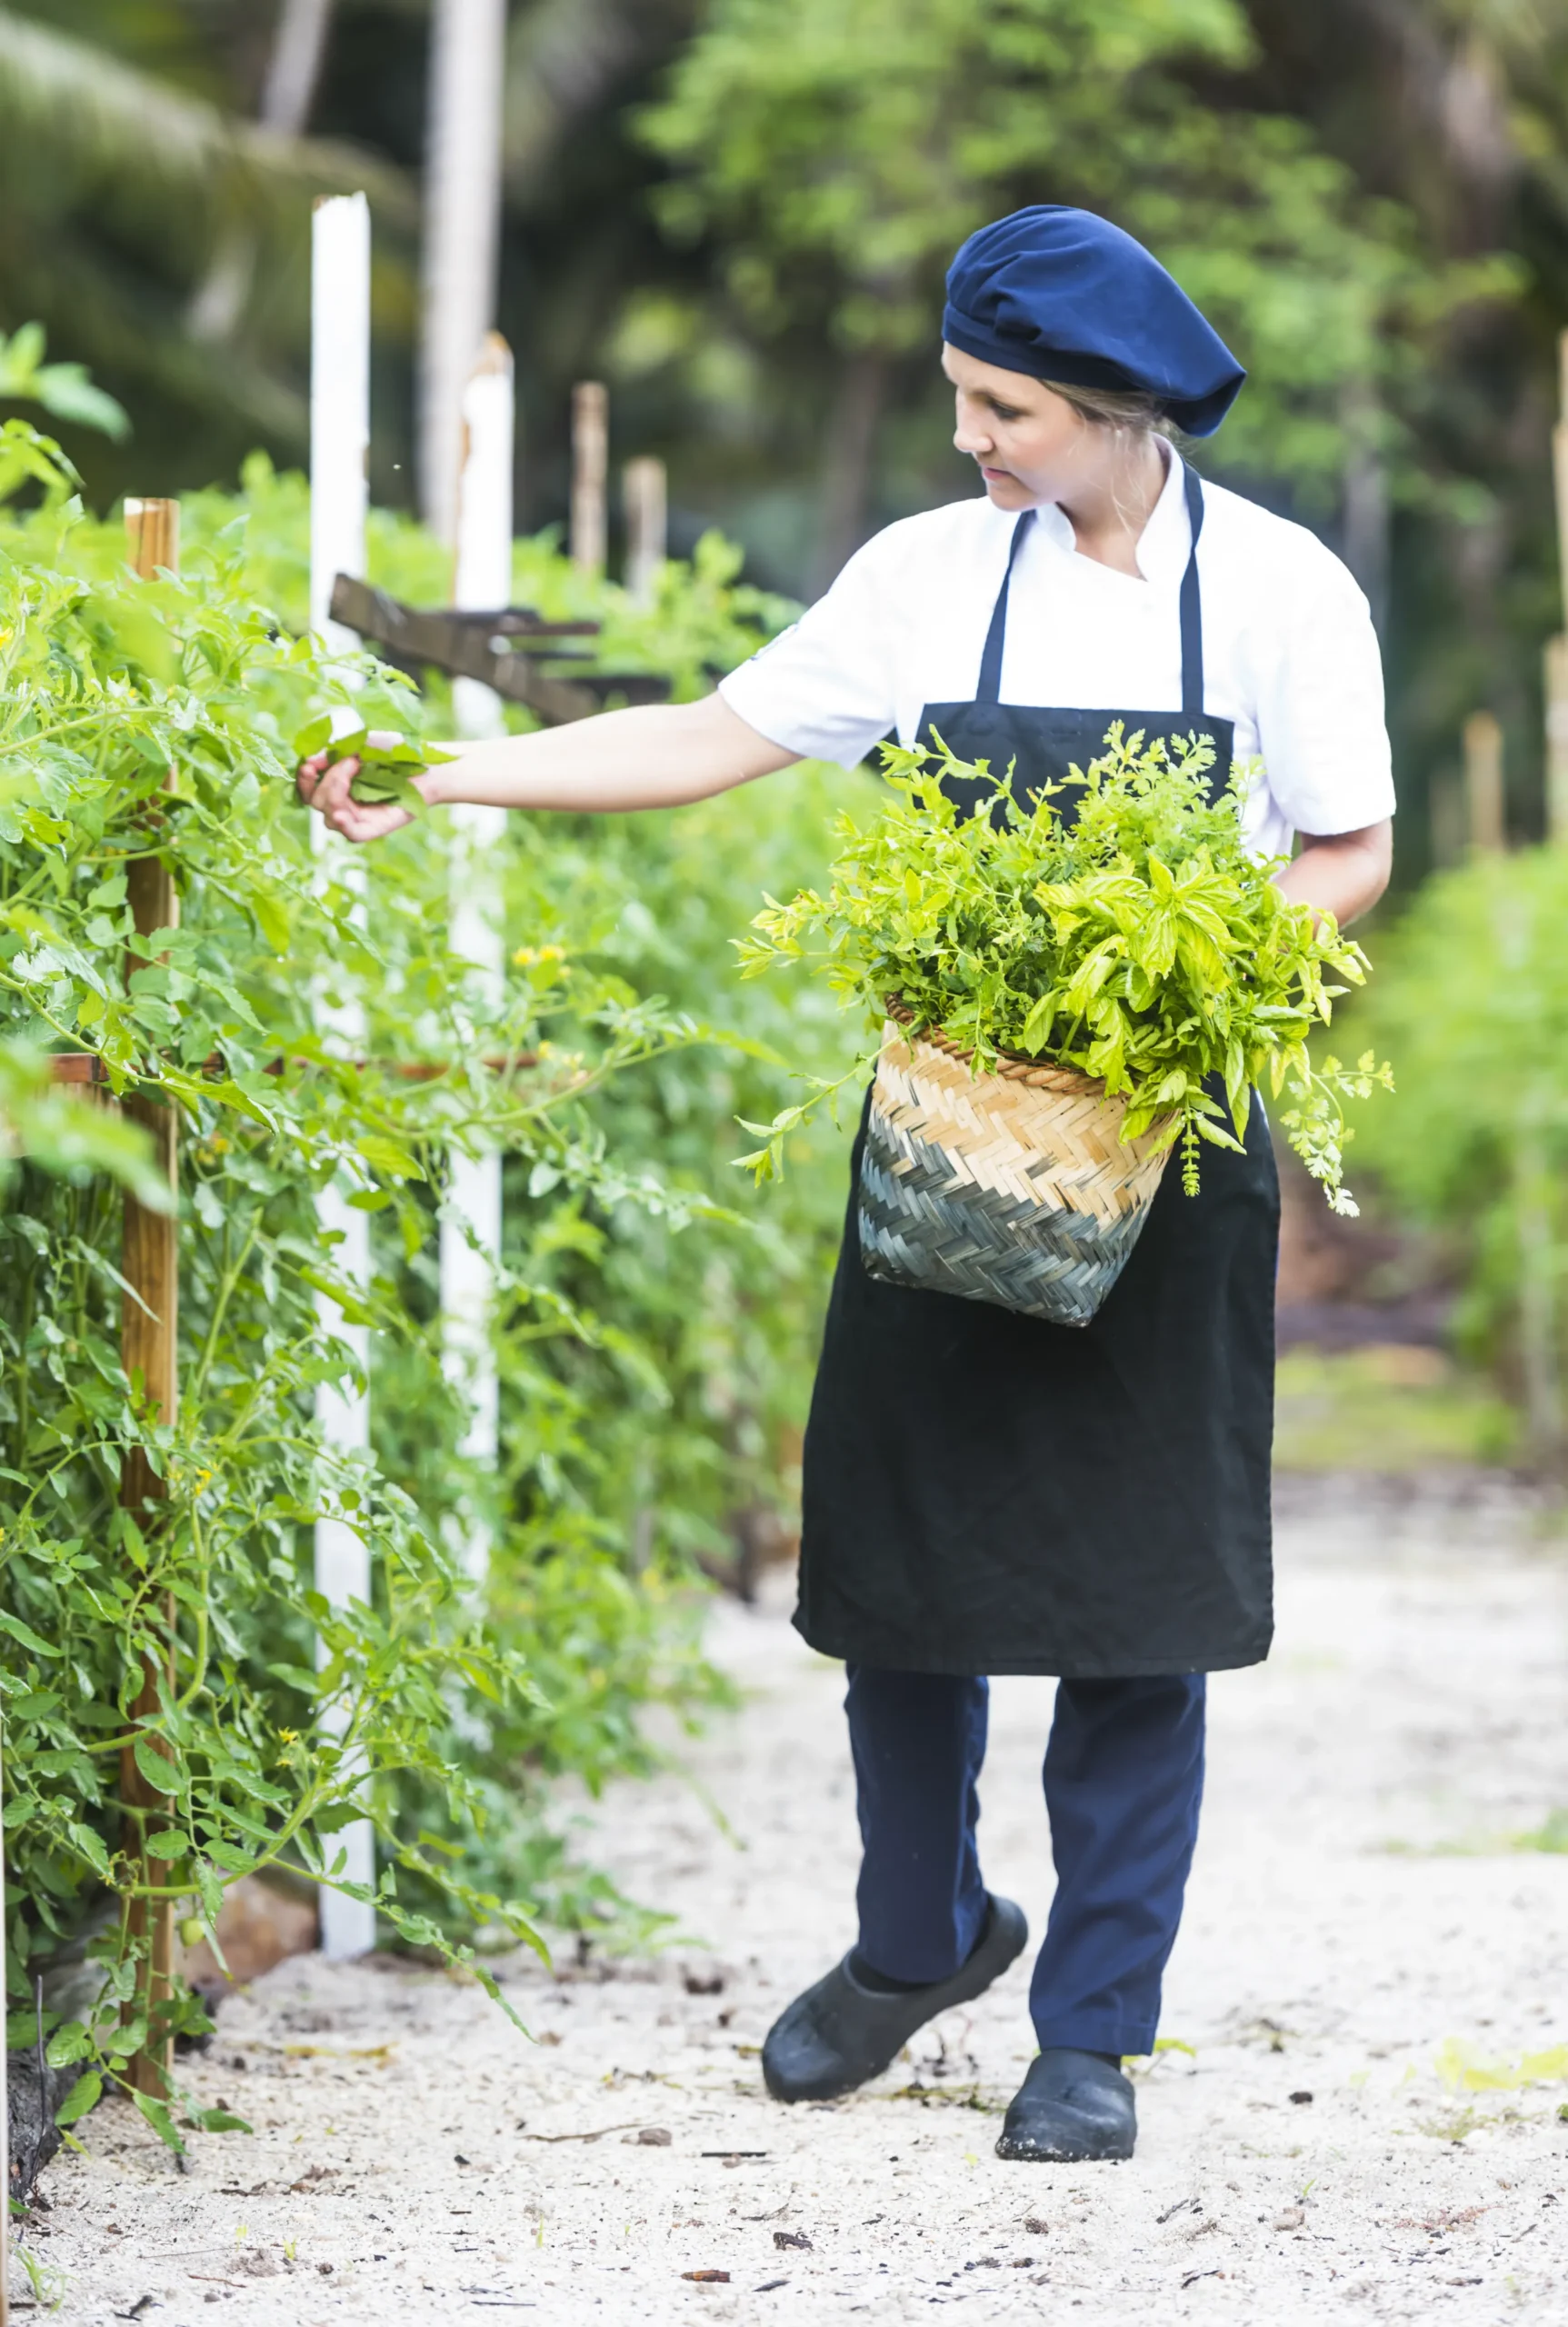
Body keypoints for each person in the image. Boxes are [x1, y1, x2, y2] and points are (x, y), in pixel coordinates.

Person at [300, 205, 1394, 2165]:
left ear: (1116, 410)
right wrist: (444, 772)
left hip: (1165, 1143)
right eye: (966, 400)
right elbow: (714, 736)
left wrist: (1172, 982)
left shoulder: (1282, 594)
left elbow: (1344, 850)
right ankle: (916, 1938)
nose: (972, 439)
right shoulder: (922, 580)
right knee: (901, 1572)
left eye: (1008, 409)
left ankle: (1093, 2031)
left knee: (1139, 1600)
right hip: (948, 1138)